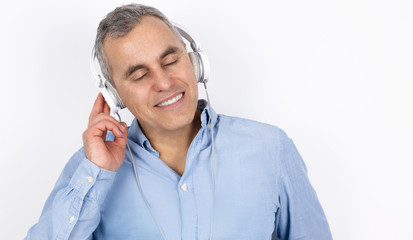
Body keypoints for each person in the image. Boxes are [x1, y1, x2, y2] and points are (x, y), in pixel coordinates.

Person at [26, 4, 332, 240]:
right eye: (140, 74)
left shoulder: (271, 149)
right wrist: (95, 172)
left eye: (171, 60)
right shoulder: (91, 171)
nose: (164, 82)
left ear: (196, 63)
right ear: (114, 94)